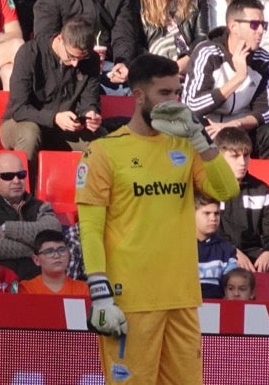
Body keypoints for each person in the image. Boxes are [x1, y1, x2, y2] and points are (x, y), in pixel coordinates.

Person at [76, 53, 239, 384]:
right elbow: (90, 230)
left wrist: (201, 140)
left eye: (177, 93)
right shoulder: (104, 152)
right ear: (138, 96)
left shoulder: (185, 143)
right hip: (130, 300)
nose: (173, 102)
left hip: (181, 296)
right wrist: (100, 293)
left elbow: (226, 191)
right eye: (164, 94)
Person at [184, 0, 269, 158]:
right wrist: (238, 78)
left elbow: (266, 110)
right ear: (234, 26)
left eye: (263, 25)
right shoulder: (207, 53)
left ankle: (264, 180)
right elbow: (192, 104)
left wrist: (236, 124)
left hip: (242, 127)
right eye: (254, 25)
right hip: (210, 125)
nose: (260, 31)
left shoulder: (263, 60)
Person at [0, 17, 103, 166]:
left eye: (81, 58)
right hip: (20, 123)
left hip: (65, 127)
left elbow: (90, 100)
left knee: (101, 140)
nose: (75, 64)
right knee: (30, 133)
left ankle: (92, 188)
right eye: (71, 56)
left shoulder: (90, 60)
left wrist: (90, 114)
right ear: (60, 39)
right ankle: (25, 186)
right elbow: (19, 109)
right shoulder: (29, 54)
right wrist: (54, 118)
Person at [212, 128, 269, 276]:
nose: (242, 162)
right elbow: (206, 233)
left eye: (246, 156)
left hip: (253, 254)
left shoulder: (262, 189)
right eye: (235, 156)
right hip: (219, 252)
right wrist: (232, 251)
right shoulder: (207, 188)